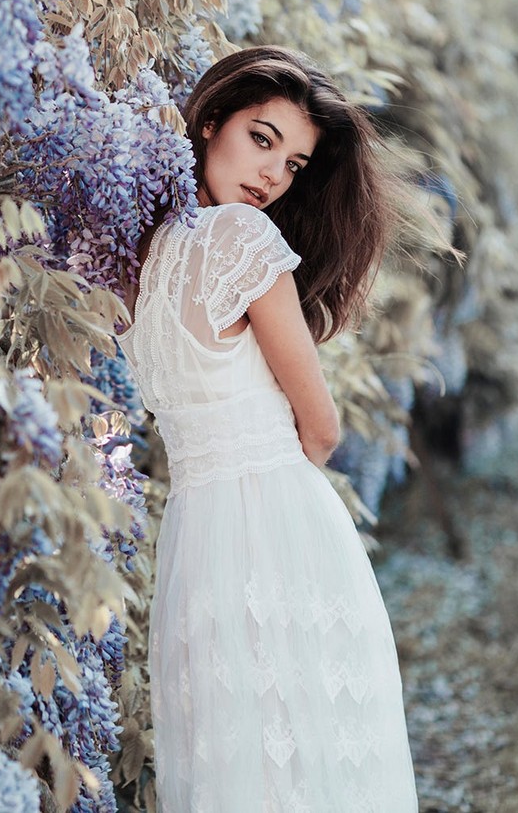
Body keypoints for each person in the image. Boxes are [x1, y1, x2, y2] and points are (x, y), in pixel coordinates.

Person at [118, 46, 420, 811]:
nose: (272, 175)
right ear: (210, 121)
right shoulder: (242, 242)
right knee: (314, 745)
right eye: (262, 139)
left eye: (292, 163)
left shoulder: (139, 257)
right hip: (280, 518)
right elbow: (320, 427)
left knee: (231, 751)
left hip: (197, 534)